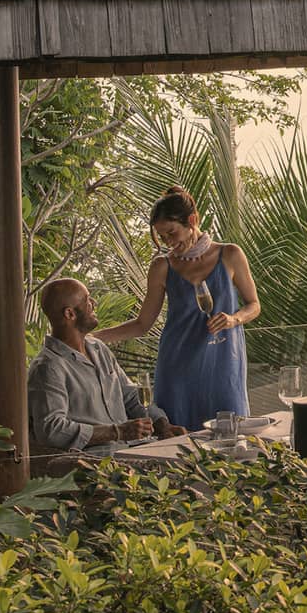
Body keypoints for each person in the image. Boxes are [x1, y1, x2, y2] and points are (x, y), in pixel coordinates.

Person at [95, 185, 259, 430]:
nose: (169, 242)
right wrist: (91, 338)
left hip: (223, 367)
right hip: (177, 370)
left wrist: (233, 319)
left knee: (231, 439)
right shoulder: (162, 266)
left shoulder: (230, 254)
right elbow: (143, 324)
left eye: (172, 233)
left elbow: (254, 305)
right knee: (177, 446)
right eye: (162, 237)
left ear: (192, 220)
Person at [27, 276, 186, 460]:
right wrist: (116, 432)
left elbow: (131, 396)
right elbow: (51, 429)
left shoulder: (98, 349)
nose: (94, 303)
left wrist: (162, 424)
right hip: (93, 465)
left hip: (127, 453)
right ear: (70, 314)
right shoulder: (48, 367)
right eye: (87, 300)